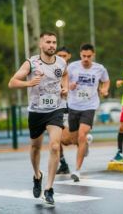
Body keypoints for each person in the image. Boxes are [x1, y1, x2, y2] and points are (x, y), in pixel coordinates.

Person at [8, 31, 68, 205]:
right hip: (36, 111)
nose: (52, 45)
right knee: (35, 148)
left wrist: (65, 88)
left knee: (55, 146)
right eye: (48, 42)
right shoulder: (31, 63)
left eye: (54, 42)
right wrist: (29, 83)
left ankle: (49, 189)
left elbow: (64, 75)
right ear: (41, 44)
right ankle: (37, 176)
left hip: (56, 108)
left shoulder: (62, 62)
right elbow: (12, 82)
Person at [67, 43, 110, 182]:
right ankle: (86, 142)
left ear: (93, 55)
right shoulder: (72, 67)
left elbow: (106, 81)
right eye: (84, 56)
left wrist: (104, 89)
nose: (86, 59)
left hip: (89, 106)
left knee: (81, 134)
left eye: (89, 56)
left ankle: (77, 171)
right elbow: (63, 82)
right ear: (80, 55)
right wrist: (69, 86)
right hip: (73, 105)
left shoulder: (99, 69)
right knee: (73, 140)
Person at [55, 46, 72, 174]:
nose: (61, 58)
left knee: (66, 140)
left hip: (74, 107)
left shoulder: (74, 69)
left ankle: (85, 141)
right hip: (58, 107)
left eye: (64, 56)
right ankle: (63, 163)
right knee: (56, 138)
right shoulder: (53, 69)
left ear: (69, 56)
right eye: (59, 55)